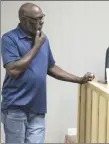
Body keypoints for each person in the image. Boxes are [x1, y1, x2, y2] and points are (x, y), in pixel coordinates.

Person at [1, 3, 95, 143]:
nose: (41, 23)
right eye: (36, 20)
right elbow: (14, 70)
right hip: (15, 107)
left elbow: (51, 67)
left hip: (38, 107)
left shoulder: (43, 39)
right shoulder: (9, 38)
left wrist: (79, 79)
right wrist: (37, 45)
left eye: (42, 18)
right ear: (23, 19)